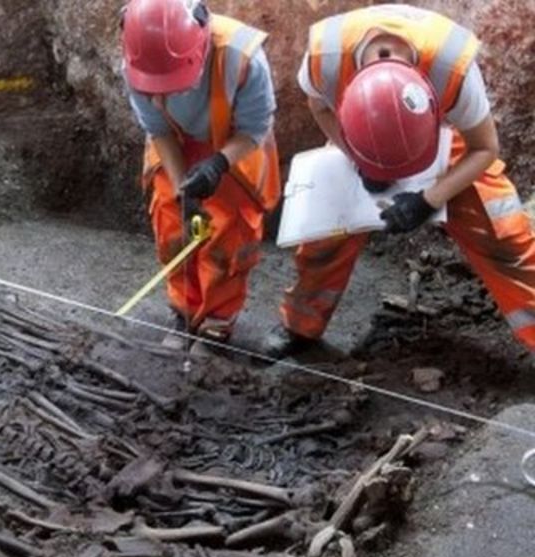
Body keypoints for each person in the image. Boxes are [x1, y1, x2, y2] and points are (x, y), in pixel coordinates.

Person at [265, 4, 535, 357]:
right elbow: (320, 108)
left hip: (440, 140)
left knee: (504, 235)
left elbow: (485, 147)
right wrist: (358, 158)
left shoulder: (452, 69)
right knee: (325, 235)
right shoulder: (324, 59)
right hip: (359, 136)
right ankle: (300, 325)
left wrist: (428, 199)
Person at [122, 0, 280, 349]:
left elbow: (255, 128)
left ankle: (216, 320)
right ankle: (184, 310)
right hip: (176, 141)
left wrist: (217, 165)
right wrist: (183, 191)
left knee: (229, 233)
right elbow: (158, 130)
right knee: (171, 225)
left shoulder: (243, 58)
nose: (164, 94)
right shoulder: (137, 61)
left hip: (236, 144)